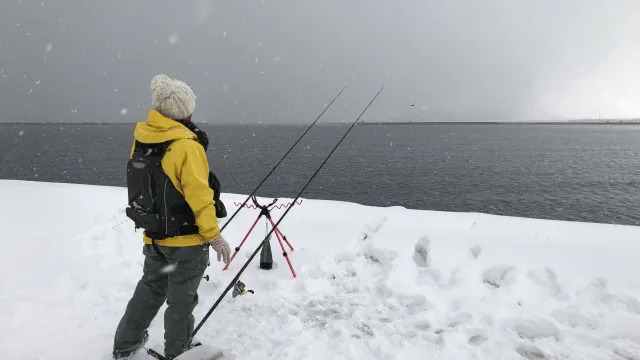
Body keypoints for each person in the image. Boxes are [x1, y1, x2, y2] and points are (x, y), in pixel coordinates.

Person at [113, 74, 231, 359]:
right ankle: (179, 352)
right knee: (181, 301)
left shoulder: (142, 141)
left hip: (154, 237)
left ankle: (125, 345)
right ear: (183, 112)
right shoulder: (186, 145)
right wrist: (214, 237)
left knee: (149, 290)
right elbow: (200, 198)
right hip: (186, 243)